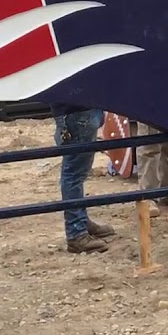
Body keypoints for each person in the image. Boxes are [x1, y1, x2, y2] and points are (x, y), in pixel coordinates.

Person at [53, 105, 115, 253]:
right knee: (74, 173)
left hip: (79, 111)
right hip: (77, 111)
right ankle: (76, 232)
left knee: (77, 172)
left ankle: (80, 221)